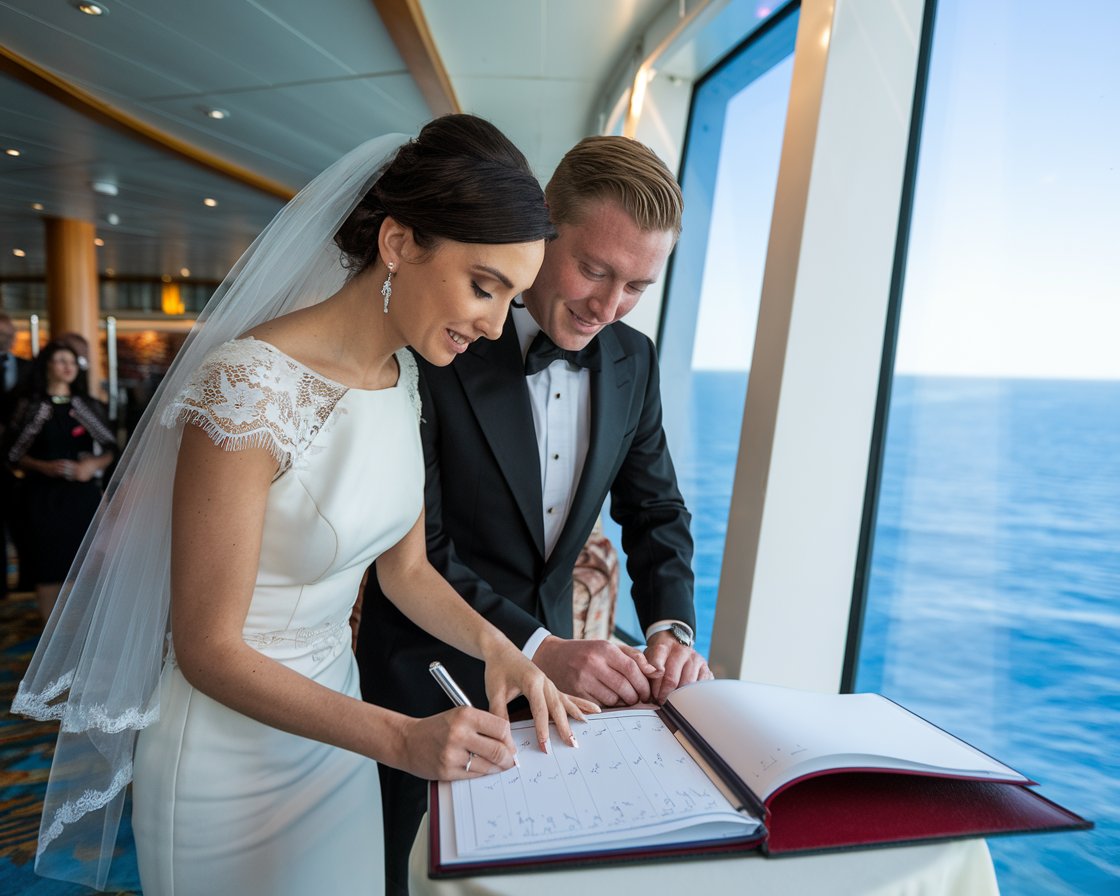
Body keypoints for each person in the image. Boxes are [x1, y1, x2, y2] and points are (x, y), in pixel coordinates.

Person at [12, 114, 595, 896]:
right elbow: (207, 648)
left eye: (511, 298)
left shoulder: (405, 379)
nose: (494, 327)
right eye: (483, 287)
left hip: (336, 731)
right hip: (226, 757)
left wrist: (506, 653)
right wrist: (402, 739)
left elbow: (408, 571)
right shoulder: (247, 384)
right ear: (397, 243)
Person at [359, 135, 713, 895]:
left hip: (559, 702)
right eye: (594, 269)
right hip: (423, 678)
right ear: (545, 225)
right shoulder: (438, 340)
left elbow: (655, 510)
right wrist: (540, 645)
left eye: (636, 288)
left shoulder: (633, 358)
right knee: (404, 877)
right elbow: (420, 550)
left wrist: (671, 630)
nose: (608, 307)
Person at [4, 340, 116, 619]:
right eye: (61, 361)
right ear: (47, 366)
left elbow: (113, 448)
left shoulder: (86, 405)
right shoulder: (30, 405)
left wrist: (91, 465)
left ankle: (84, 632)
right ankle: (46, 637)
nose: (68, 367)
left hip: (81, 495)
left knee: (89, 565)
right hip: (42, 496)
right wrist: (43, 466)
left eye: (72, 362)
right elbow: (12, 453)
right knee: (48, 565)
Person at [0, 311, 33, 598]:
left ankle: (24, 582)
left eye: (9, 336)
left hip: (17, 459)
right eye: (2, 335)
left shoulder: (26, 368)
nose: (6, 340)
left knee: (20, 523)